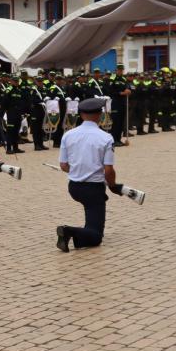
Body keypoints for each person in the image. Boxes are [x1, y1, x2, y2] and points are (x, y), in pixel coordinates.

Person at [55, 99, 117, 252]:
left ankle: (81, 233)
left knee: (91, 222)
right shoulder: (106, 137)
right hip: (94, 188)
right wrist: (113, 186)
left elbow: (63, 165)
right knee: (96, 237)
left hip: (74, 187)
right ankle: (68, 231)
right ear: (100, 115)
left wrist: (78, 171)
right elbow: (108, 170)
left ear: (81, 115)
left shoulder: (68, 135)